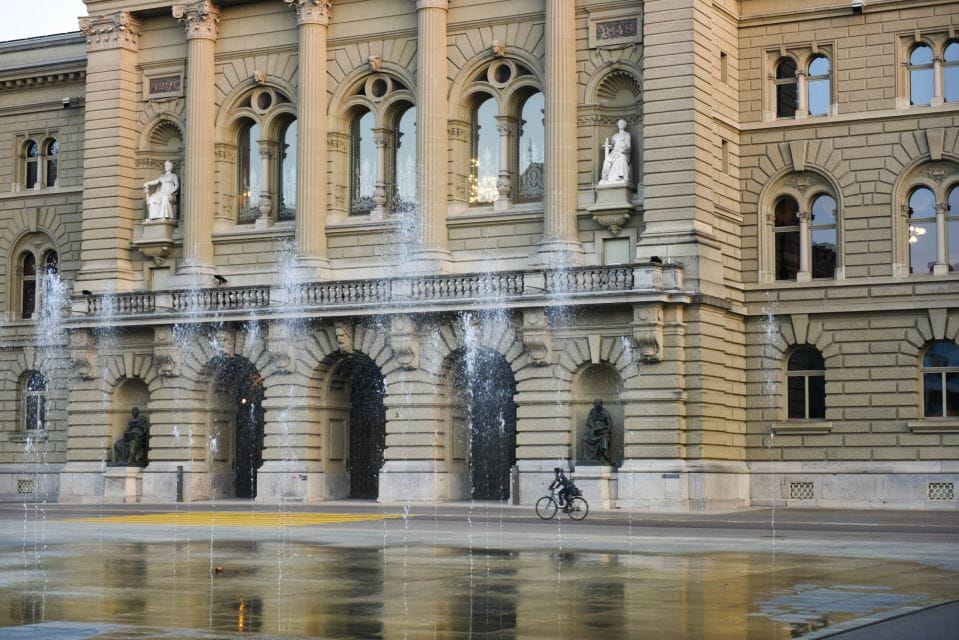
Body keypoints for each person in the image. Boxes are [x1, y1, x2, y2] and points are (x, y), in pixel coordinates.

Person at [599, 119, 632, 185]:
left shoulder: (627, 134)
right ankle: (605, 178)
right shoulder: (615, 136)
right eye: (619, 123)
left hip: (623, 152)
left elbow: (628, 146)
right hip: (614, 152)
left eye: (622, 124)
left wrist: (623, 150)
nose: (620, 125)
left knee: (621, 157)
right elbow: (612, 144)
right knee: (607, 160)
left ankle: (620, 176)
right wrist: (607, 146)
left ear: (624, 125)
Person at [582, 398, 613, 464]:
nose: (597, 406)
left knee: (605, 438)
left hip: (603, 432)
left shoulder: (605, 412)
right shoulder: (592, 411)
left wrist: (607, 431)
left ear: (601, 405)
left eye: (598, 405)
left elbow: (610, 424)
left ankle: (603, 456)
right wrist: (593, 427)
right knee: (584, 438)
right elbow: (588, 421)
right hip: (594, 432)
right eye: (595, 405)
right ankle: (587, 457)